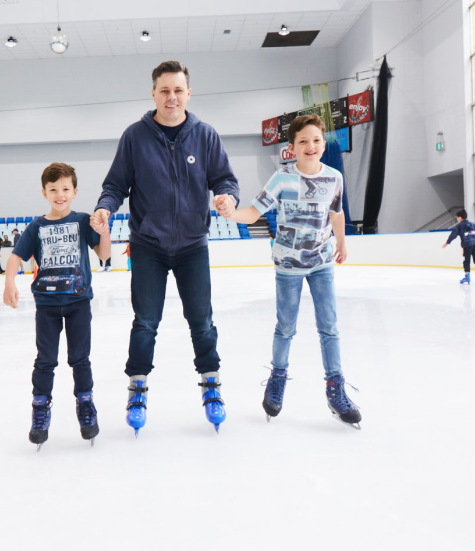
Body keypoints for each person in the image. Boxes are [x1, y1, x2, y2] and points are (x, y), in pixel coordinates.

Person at [91, 60, 239, 434]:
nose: (171, 97)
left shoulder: (205, 135)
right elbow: (115, 185)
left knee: (201, 321)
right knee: (145, 323)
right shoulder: (134, 137)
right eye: (164, 90)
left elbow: (225, 179)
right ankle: (137, 388)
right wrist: (105, 208)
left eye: (178, 90)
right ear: (153, 93)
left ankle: (211, 384)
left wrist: (226, 197)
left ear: (188, 93)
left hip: (192, 246)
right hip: (148, 247)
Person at [221, 114, 360, 428]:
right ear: (292, 147)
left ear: (323, 144)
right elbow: (254, 212)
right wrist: (231, 213)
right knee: (286, 327)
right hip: (288, 266)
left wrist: (341, 242)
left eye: (316, 140)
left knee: (330, 327)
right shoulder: (282, 179)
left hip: (322, 262)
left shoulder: (335, 177)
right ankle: (278, 378)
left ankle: (335, 387)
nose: (310, 146)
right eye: (303, 141)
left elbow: (336, 213)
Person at [4, 162, 111, 448]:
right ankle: (40, 408)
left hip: (78, 302)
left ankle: (86, 405)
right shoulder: (37, 226)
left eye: (65, 189)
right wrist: (9, 282)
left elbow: (103, 254)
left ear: (75, 191)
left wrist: (104, 230)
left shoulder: (82, 220)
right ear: (44, 193)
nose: (59, 194)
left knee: (80, 358)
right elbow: (16, 257)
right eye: (53, 189)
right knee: (46, 360)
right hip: (47, 305)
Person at [442, 209, 475, 284]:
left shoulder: (459, 226)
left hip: (467, 244)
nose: (457, 219)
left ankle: (467, 277)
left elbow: (453, 235)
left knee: (467, 261)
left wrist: (447, 242)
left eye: (457, 217)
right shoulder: (472, 224)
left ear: (459, 217)